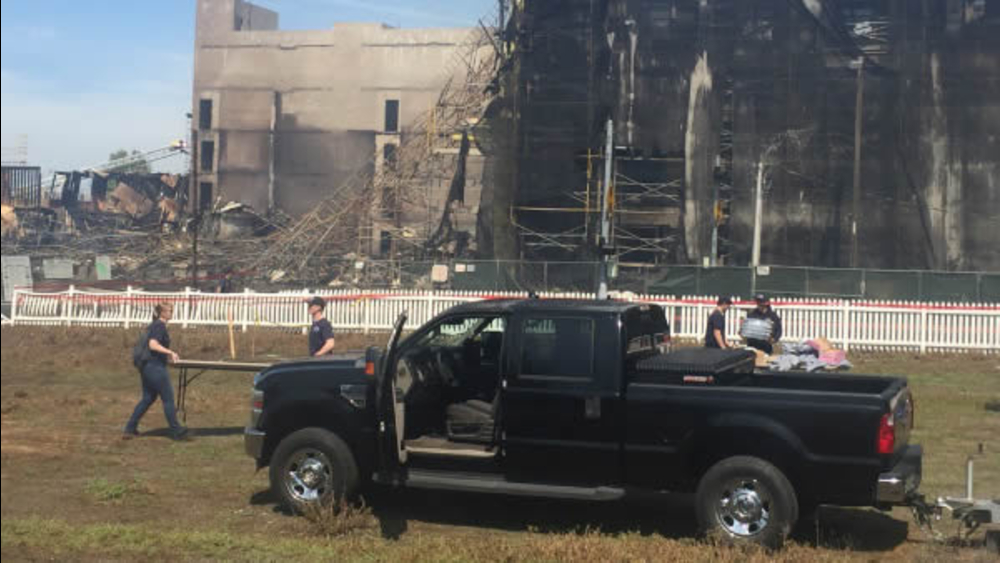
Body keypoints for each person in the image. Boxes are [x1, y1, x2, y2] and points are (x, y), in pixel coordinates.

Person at [124, 303, 188, 441]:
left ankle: (130, 429)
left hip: (147, 367)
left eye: (172, 310)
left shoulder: (154, 325)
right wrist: (170, 352)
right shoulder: (159, 326)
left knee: (148, 398)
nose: (171, 313)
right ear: (162, 313)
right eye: (169, 311)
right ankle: (176, 430)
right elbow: (153, 345)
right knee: (168, 399)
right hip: (155, 367)